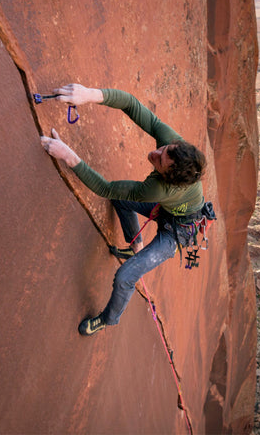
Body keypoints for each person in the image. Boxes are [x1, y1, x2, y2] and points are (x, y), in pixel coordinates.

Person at [40, 83, 208, 336]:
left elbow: (106, 188)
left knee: (125, 277)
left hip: (176, 231)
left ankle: (108, 319)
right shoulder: (175, 149)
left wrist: (68, 156)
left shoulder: (159, 189)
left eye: (159, 160)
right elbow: (131, 104)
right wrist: (89, 95)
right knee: (122, 201)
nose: (155, 152)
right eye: (163, 149)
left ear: (167, 178)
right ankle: (136, 246)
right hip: (171, 209)